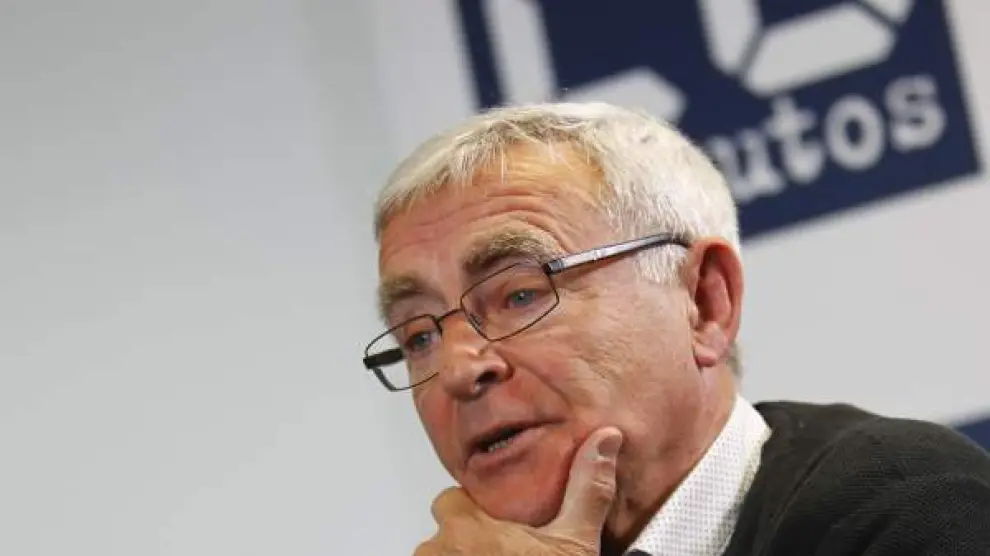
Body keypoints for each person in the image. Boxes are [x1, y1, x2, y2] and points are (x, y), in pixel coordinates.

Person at [360, 102, 990, 556]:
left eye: (521, 294)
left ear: (704, 302)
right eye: (419, 336)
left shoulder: (906, 503)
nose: (460, 368)